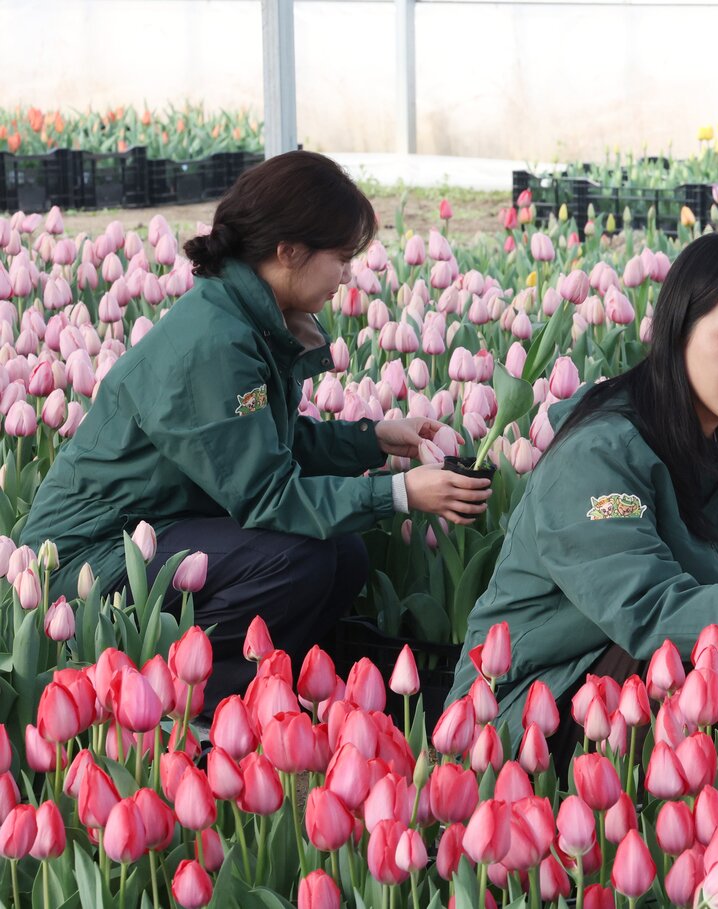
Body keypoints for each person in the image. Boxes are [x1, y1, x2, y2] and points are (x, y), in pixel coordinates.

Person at [21, 151, 492, 709]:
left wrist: (375, 438)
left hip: (156, 529)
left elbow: (263, 445)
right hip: (85, 562)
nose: (347, 276)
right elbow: (267, 494)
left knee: (343, 553)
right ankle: (192, 706)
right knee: (299, 560)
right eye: (341, 258)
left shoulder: (244, 317)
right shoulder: (215, 343)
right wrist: (400, 493)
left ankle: (271, 694)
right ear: (288, 251)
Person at [446, 232, 718, 761]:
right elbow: (644, 611)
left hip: (629, 685)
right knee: (689, 655)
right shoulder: (598, 456)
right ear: (678, 333)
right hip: (523, 710)